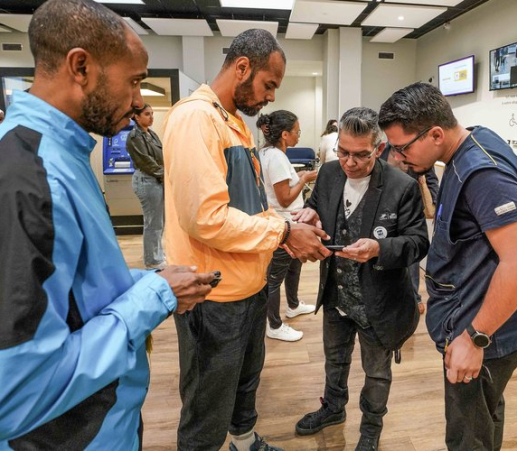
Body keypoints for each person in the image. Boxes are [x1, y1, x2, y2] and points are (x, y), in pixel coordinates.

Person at [0, 0, 215, 449]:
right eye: (134, 81)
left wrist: (150, 283)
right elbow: (12, 397)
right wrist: (154, 297)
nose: (139, 101)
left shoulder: (57, 157)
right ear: (81, 66)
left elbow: (67, 290)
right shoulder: (16, 183)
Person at [162, 29, 329, 451]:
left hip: (249, 286)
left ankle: (245, 440)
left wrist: (289, 222)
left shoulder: (232, 121)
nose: (271, 97)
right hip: (213, 296)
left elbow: (249, 208)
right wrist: (286, 231)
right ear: (242, 68)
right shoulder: (195, 118)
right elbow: (206, 219)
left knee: (245, 382)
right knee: (206, 400)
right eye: (268, 84)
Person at [379, 82, 517, 451]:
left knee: (468, 433)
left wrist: (474, 338)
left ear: (436, 133)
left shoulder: (484, 173)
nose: (399, 157)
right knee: (483, 415)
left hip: (484, 331)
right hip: (473, 314)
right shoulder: (471, 143)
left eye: (403, 147)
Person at [293, 107, 429, 451]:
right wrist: (310, 211)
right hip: (337, 294)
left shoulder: (402, 186)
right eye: (343, 151)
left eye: (359, 155)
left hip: (380, 301)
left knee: (377, 372)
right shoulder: (328, 173)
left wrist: (379, 248)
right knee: (334, 359)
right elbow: (319, 205)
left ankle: (371, 426)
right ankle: (333, 409)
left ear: (379, 149)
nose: (349, 162)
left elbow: (417, 243)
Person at [257, 110, 318, 342]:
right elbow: (284, 198)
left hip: (288, 220)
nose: (298, 135)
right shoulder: (276, 157)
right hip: (282, 222)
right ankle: (274, 324)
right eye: (297, 131)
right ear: (284, 134)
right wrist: (303, 179)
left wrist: (298, 177)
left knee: (294, 266)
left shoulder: (269, 153)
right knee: (275, 277)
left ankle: (293, 305)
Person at [379, 142, 439, 314]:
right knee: (384, 255)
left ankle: (414, 297)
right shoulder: (381, 152)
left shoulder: (422, 154)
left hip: (411, 214)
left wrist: (435, 204)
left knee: (411, 259)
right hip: (384, 213)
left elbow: (432, 186)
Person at [126, 103, 166, 269]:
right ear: (136, 116)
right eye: (147, 114)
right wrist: (166, 175)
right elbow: (147, 162)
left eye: (152, 113)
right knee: (152, 223)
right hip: (147, 180)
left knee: (159, 222)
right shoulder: (135, 137)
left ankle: (157, 254)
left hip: (156, 179)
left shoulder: (151, 134)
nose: (151, 117)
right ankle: (152, 261)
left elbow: (160, 156)